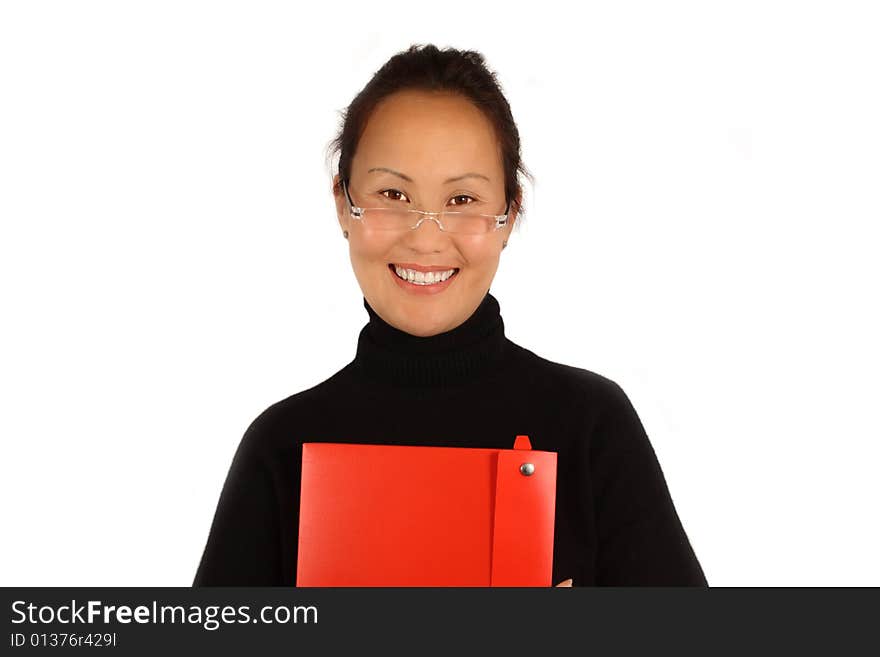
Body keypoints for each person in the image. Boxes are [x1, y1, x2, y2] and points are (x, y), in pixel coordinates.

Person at [192, 43, 707, 587]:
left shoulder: (590, 427)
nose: (426, 237)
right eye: (392, 193)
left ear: (509, 216)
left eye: (462, 201)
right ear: (344, 204)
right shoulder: (281, 446)